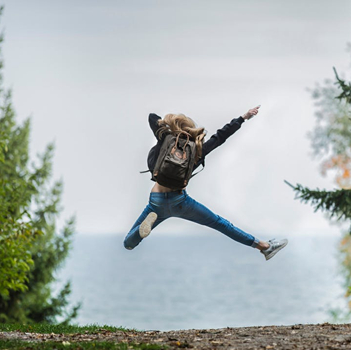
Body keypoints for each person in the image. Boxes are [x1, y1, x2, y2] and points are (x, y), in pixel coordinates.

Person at [123, 105, 288, 260]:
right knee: (220, 224)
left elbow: (152, 117)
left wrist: (169, 127)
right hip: (180, 202)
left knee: (128, 244)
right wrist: (243, 118)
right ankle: (264, 247)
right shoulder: (196, 150)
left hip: (156, 201)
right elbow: (220, 137)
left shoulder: (165, 139)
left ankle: (141, 232)